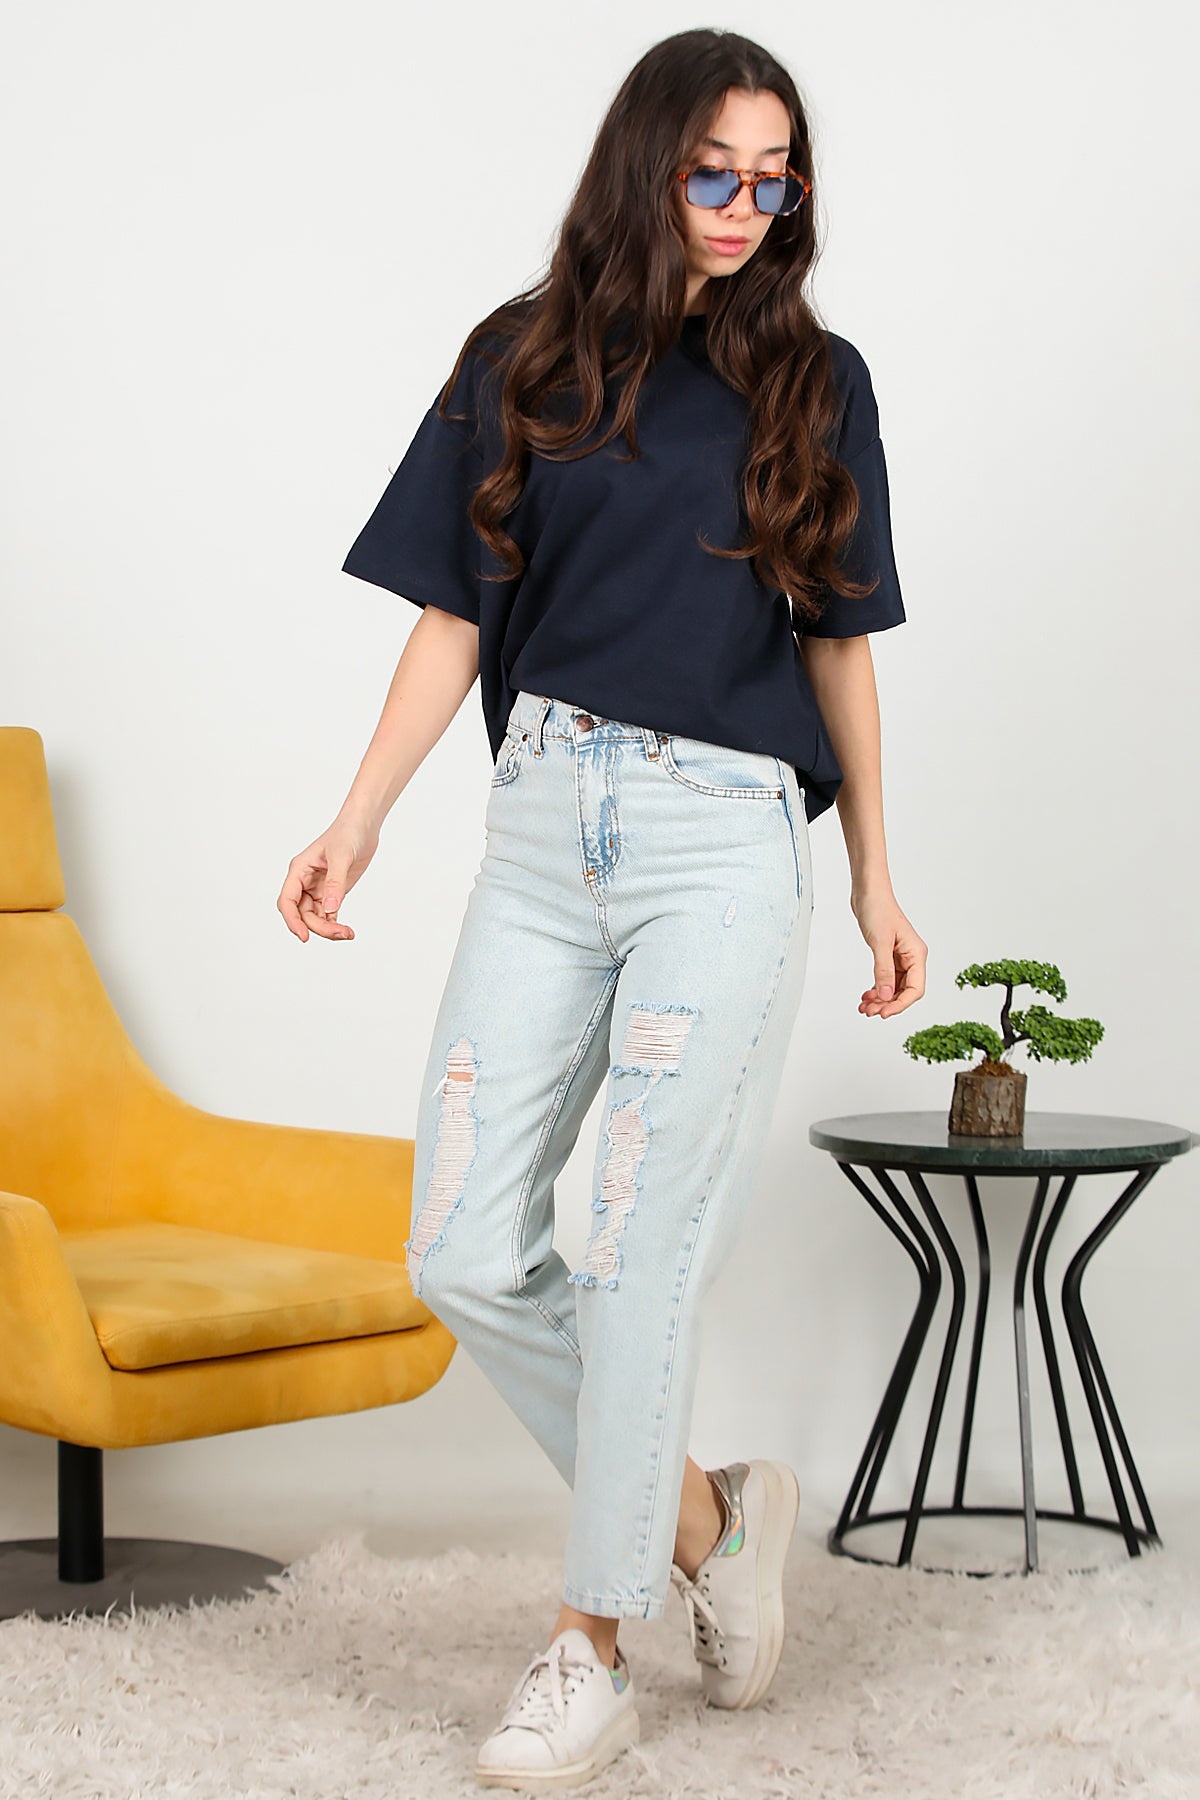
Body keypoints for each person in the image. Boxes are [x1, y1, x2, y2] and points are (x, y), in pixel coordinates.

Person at [278, 25, 928, 1792]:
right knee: (461, 1247)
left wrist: (873, 873)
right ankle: (714, 1521)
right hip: (544, 820)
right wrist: (357, 820)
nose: (743, 204)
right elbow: (454, 614)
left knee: (637, 1251)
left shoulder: (817, 381)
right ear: (647, 163)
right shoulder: (523, 356)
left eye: (773, 177)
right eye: (713, 170)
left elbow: (839, 644)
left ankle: (591, 1650)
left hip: (725, 843)